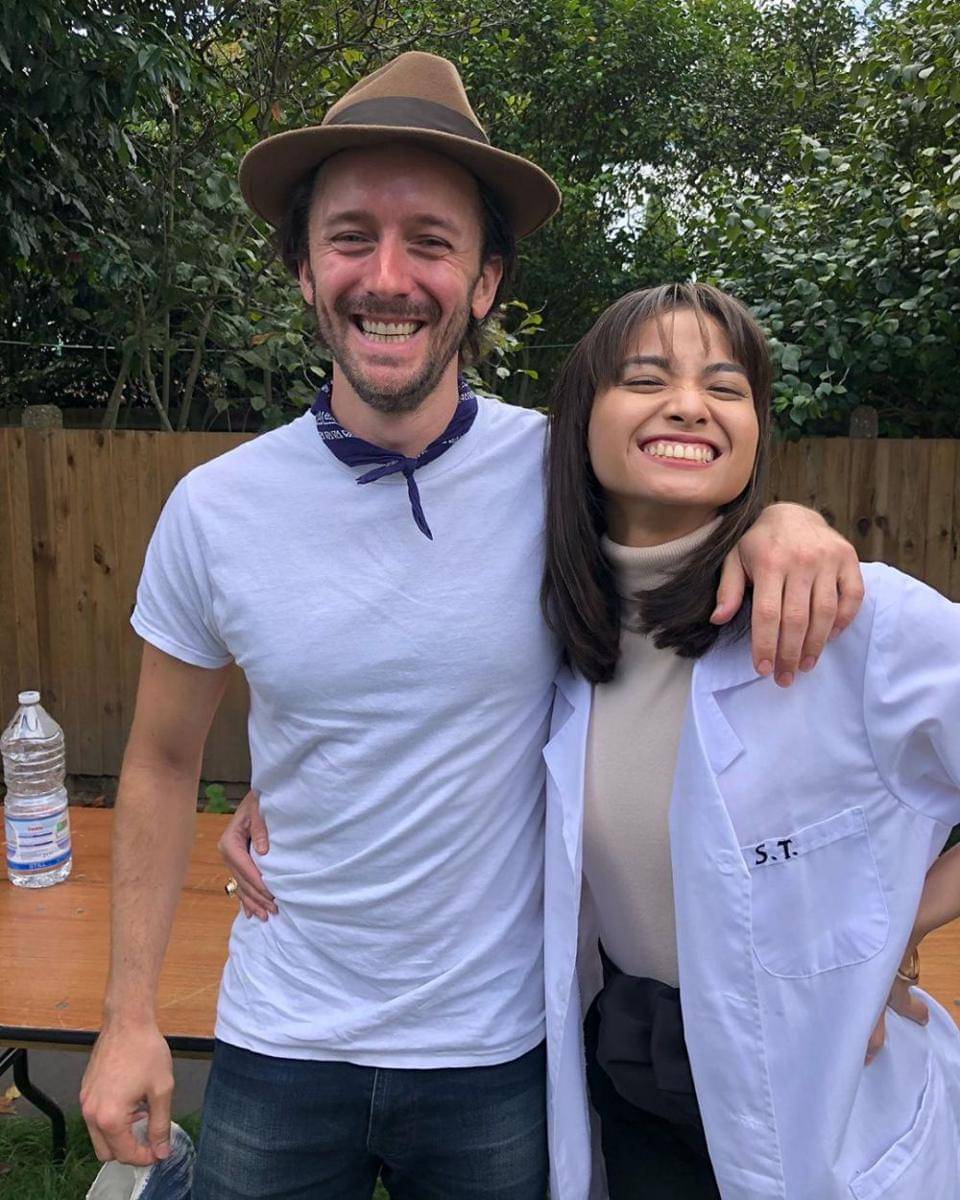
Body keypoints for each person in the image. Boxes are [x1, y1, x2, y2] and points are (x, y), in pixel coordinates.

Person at [81, 51, 863, 1200]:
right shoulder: (215, 510)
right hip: (282, 1032)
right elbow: (157, 761)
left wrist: (790, 522)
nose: (388, 276)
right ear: (303, 269)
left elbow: (698, 502)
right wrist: (128, 1016)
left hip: (499, 1048)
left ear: (485, 281)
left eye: (432, 243)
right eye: (351, 237)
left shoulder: (565, 476)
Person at [536, 282, 960, 1199]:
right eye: (646, 378)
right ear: (580, 421)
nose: (690, 405)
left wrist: (903, 927)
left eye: (726, 388)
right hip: (638, 1074)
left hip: (826, 1090)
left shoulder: (857, 623)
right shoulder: (555, 636)